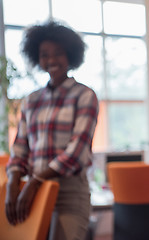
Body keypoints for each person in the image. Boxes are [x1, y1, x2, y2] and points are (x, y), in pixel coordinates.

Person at [5, 21, 99, 240]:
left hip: (69, 193)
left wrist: (36, 180)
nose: (51, 60)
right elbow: (20, 149)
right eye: (44, 54)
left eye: (58, 53)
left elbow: (76, 152)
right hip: (32, 193)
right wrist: (12, 183)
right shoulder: (31, 100)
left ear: (70, 56)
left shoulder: (84, 96)